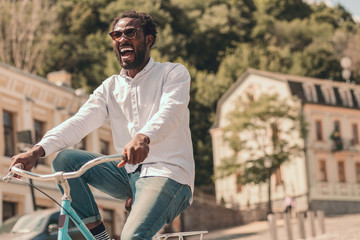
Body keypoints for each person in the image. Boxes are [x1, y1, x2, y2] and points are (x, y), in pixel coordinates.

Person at [9, 10, 194, 240]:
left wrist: (143, 136)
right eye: (116, 35)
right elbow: (79, 122)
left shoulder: (172, 73)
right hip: (127, 175)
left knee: (131, 237)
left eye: (130, 33)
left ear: (149, 39)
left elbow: (171, 111)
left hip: (169, 174)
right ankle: (99, 236)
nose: (122, 39)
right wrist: (36, 151)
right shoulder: (110, 87)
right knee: (65, 160)